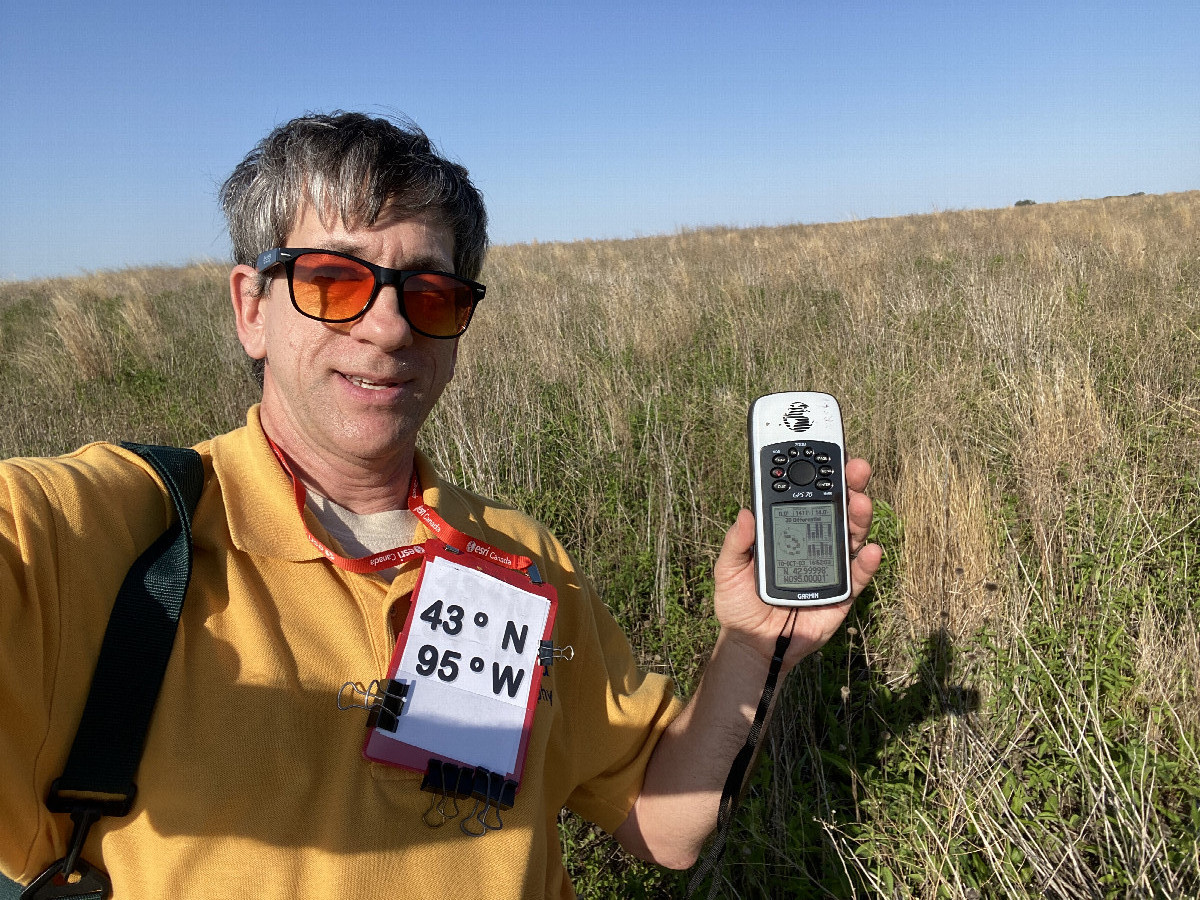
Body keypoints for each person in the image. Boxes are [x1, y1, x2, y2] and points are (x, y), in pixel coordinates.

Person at [0, 112, 881, 899]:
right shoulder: (117, 537)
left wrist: (753, 649)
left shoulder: (521, 557)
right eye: (333, 282)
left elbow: (665, 824)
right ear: (251, 309)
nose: (387, 328)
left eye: (430, 294)